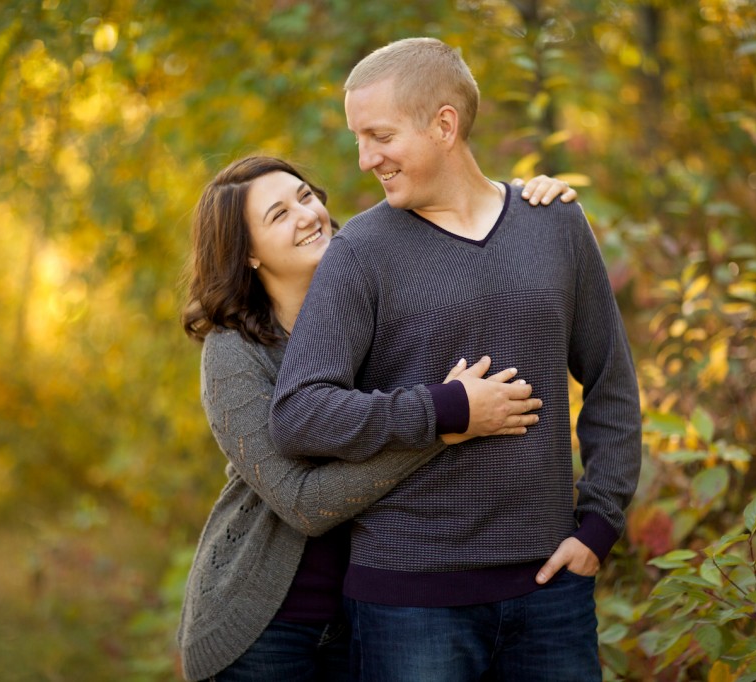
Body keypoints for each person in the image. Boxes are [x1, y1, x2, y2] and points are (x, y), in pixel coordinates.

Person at [269, 38, 643, 682]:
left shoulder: (553, 224)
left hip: (550, 593)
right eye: (359, 138)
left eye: (379, 135)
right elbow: (299, 412)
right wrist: (443, 410)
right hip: (408, 601)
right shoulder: (360, 251)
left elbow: (611, 379)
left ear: (444, 124)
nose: (365, 160)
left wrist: (601, 524)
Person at [176, 154, 577, 681]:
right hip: (264, 627)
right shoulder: (234, 354)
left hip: (371, 613)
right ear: (246, 253)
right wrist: (445, 422)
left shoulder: (373, 303)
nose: (307, 214)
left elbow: (470, 252)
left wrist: (527, 203)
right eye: (278, 215)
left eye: (305, 196)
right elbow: (304, 504)